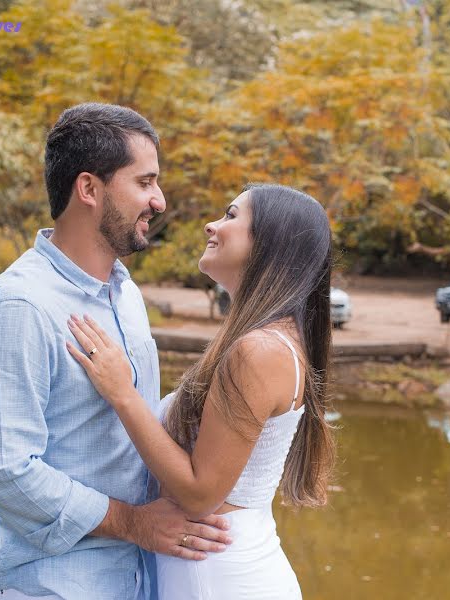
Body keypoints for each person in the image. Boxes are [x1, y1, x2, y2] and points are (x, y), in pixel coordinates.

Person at [0, 103, 231, 600]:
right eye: (145, 182)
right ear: (89, 188)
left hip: (141, 581)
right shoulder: (20, 305)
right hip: (52, 587)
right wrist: (133, 523)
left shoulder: (125, 293)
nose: (160, 200)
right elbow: (1, 468)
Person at [65, 183, 336, 599]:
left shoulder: (259, 351)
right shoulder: (260, 340)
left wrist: (122, 393)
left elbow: (199, 494)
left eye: (230, 216)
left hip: (221, 578)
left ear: (270, 243)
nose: (212, 225)